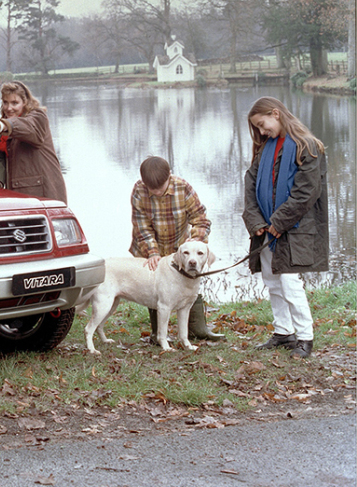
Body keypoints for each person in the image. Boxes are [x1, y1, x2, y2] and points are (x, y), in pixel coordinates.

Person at [242, 97, 328, 359]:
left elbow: (306, 193)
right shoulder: (266, 147)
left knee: (291, 283)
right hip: (267, 229)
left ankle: (305, 337)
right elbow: (251, 183)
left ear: (276, 114)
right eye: (257, 128)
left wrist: (279, 223)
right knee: (272, 280)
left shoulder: (308, 146)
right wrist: (256, 222)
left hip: (295, 229)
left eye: (262, 124)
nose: (261, 131)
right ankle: (283, 332)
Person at [129, 156, 224, 342]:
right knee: (155, 285)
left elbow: (201, 219)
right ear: (143, 182)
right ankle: (159, 334)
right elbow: (141, 226)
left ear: (169, 177)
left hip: (180, 247)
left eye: (160, 188)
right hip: (149, 245)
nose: (155, 192)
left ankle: (198, 329)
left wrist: (195, 242)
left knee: (189, 280)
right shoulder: (139, 191)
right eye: (152, 189)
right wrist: (153, 252)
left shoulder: (183, 187)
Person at [0, 81, 67, 203]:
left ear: (25, 102)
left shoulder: (38, 116)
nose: (9, 108)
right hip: (21, 198)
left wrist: (1, 125)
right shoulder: (7, 128)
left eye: (15, 103)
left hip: (45, 197)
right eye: (5, 102)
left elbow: (28, 128)